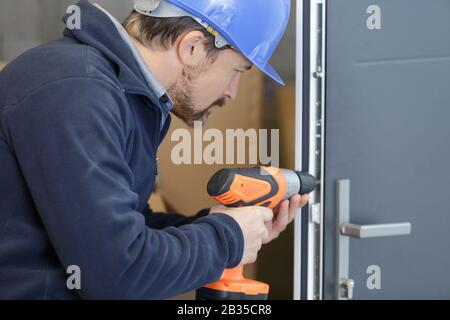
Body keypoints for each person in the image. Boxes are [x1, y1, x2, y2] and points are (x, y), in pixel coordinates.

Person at [0, 0, 309, 299]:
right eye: (237, 71)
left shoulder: (119, 92)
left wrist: (222, 224)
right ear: (191, 47)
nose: (231, 93)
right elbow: (117, 272)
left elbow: (126, 228)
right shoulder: (75, 89)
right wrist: (226, 238)